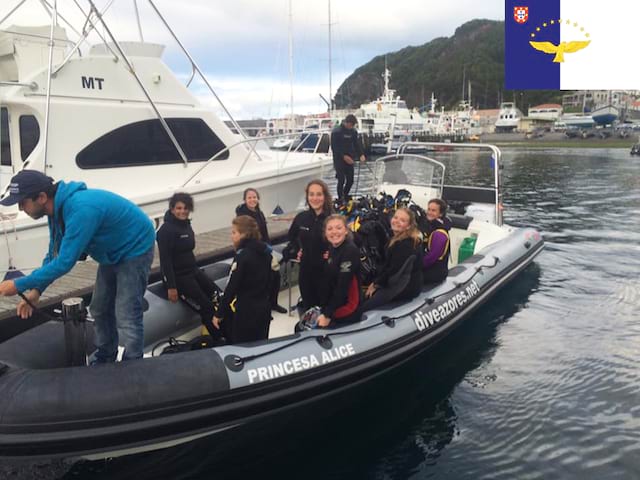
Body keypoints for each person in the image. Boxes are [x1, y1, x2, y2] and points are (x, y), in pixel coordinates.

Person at [0, 170, 155, 363]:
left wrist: (18, 285)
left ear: (41, 197)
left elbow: (65, 262)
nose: (21, 208)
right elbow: (54, 254)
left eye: (22, 202)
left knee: (126, 312)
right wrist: (36, 291)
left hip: (134, 248)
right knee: (99, 308)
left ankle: (134, 364)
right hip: (111, 252)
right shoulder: (55, 210)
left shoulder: (80, 208)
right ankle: (106, 355)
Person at [157, 192, 221, 339]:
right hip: (179, 277)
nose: (182, 211)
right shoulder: (166, 230)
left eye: (185, 208)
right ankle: (218, 338)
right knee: (207, 306)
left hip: (192, 270)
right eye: (178, 208)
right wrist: (171, 287)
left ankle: (222, 327)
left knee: (218, 295)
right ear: (172, 209)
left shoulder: (186, 225)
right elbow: (165, 261)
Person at [213, 215, 272, 344]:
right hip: (263, 309)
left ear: (244, 234)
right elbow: (271, 281)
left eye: (234, 232)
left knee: (242, 346)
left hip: (247, 311)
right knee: (262, 344)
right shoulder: (266, 253)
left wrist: (219, 313)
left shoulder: (242, 256)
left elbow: (232, 287)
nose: (231, 236)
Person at [235, 188, 287, 314]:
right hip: (251, 250)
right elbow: (246, 238)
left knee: (275, 275)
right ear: (245, 200)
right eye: (249, 197)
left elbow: (264, 233)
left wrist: (269, 247)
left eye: (254, 197)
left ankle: (273, 303)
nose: (252, 200)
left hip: (264, 248)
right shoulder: (243, 216)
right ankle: (261, 307)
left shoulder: (259, 213)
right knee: (259, 279)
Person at [363, 207, 423, 311]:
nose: (397, 221)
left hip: (404, 285)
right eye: (396, 217)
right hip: (397, 279)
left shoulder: (405, 245)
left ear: (408, 226)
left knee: (365, 304)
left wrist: (375, 284)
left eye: (402, 220)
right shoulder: (396, 238)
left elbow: (393, 272)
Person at [287, 180, 333, 310]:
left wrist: (332, 253)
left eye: (319, 194)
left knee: (324, 307)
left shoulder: (332, 218)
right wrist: (297, 250)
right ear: (307, 197)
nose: (315, 198)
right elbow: (292, 236)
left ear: (325, 196)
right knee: (309, 307)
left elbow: (347, 242)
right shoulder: (302, 217)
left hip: (326, 272)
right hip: (306, 271)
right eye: (311, 194)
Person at [314, 215, 361, 328]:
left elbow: (342, 287)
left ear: (346, 230)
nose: (334, 232)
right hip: (334, 304)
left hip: (348, 307)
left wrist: (327, 314)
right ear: (325, 233)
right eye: (330, 229)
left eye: (338, 228)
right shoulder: (332, 248)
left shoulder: (350, 250)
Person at [330, 114, 366, 201]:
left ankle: (345, 195)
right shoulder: (336, 131)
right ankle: (340, 198)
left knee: (350, 180)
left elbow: (356, 144)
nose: (352, 127)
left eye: (353, 125)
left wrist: (361, 154)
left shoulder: (353, 132)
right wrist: (343, 156)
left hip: (350, 158)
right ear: (347, 123)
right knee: (341, 180)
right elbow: (334, 147)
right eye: (351, 125)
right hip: (339, 159)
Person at [422, 198, 451, 285]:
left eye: (433, 210)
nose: (429, 212)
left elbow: (431, 257)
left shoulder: (439, 234)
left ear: (440, 214)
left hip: (435, 273)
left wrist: (415, 267)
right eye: (429, 209)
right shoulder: (431, 227)